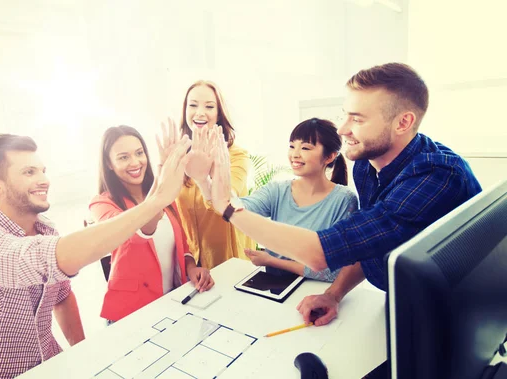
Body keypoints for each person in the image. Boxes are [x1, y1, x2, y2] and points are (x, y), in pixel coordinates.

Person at [209, 62, 482, 328]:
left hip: (451, 315)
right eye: (345, 115)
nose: (342, 129)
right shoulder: (366, 163)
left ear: (403, 122)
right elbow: (367, 243)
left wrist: (228, 208)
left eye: (357, 119)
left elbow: (320, 254)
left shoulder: (437, 176)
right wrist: (333, 294)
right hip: (402, 298)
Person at [0, 127, 191, 378]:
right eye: (29, 172)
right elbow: (44, 259)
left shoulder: (46, 230)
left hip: (50, 364)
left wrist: (83, 352)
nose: (43, 180)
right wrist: (156, 200)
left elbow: (62, 297)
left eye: (42, 171)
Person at [88, 124, 214, 323]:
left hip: (172, 300)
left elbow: (182, 244)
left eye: (139, 153)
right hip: (132, 313)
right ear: (109, 164)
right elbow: (139, 234)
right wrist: (164, 171)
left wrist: (191, 267)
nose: (135, 162)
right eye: (123, 157)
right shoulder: (101, 204)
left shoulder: (166, 195)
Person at [240, 118, 358, 281]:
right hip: (274, 285)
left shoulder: (344, 200)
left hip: (317, 291)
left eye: (305, 148)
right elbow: (239, 208)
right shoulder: (277, 191)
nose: (295, 154)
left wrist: (272, 261)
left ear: (330, 157)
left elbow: (334, 272)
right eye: (291, 146)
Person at [176, 80, 253, 269]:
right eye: (193, 105)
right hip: (191, 264)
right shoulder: (177, 156)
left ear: (219, 113)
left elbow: (225, 202)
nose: (200, 112)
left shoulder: (236, 155)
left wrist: (205, 177)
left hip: (230, 261)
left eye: (209, 106)